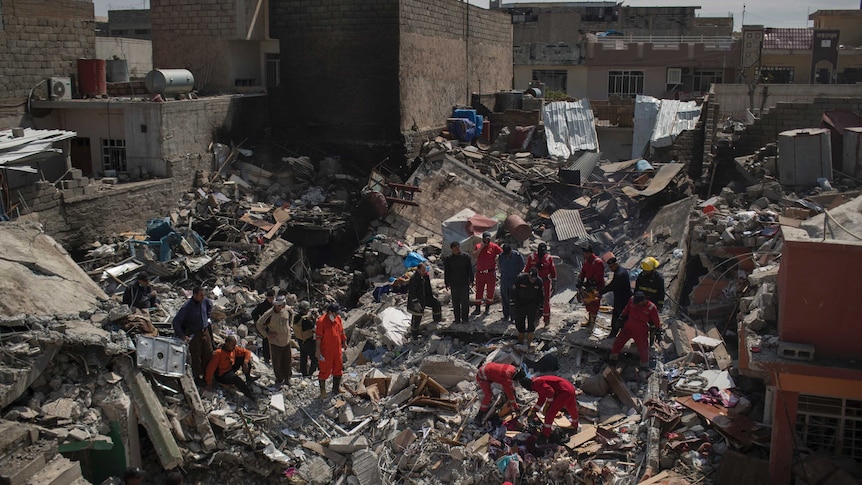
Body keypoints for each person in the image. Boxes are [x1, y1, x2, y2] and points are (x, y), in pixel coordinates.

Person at [172, 286, 214, 384]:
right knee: (196, 356)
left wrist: (207, 316)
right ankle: (198, 377)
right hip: (194, 333)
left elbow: (209, 305)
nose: (203, 297)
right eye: (201, 295)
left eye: (203, 295)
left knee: (208, 352)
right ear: (194, 295)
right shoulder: (187, 307)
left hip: (205, 331)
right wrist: (182, 336)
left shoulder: (204, 301)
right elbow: (176, 322)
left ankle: (207, 374)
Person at [609, 291, 661, 370]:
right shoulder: (632, 300)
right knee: (618, 343)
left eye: (638, 303)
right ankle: (612, 362)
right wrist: (621, 318)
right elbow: (626, 310)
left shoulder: (651, 307)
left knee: (643, 349)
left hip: (640, 330)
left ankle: (644, 367)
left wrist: (658, 331)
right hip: (628, 327)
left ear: (643, 300)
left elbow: (656, 321)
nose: (636, 305)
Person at [519, 374, 580, 439]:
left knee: (550, 413)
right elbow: (542, 398)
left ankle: (545, 434)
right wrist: (534, 410)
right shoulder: (537, 381)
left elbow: (550, 392)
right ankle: (575, 425)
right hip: (569, 388)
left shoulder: (536, 383)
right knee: (571, 407)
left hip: (563, 391)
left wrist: (548, 404)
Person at [256, 295, 293, 386]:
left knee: (287, 361)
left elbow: (292, 314)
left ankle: (287, 378)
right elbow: (259, 324)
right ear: (276, 306)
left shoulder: (287, 310)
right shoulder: (269, 314)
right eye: (281, 305)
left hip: (286, 340)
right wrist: (267, 335)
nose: (283, 307)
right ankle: (279, 379)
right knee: (277, 362)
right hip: (275, 342)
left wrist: (290, 326)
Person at [316, 302, 347, 400]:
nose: (337, 315)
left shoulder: (337, 319)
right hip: (326, 351)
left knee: (338, 368)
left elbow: (341, 331)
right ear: (330, 312)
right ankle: (323, 391)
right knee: (324, 369)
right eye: (335, 313)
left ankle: (336, 387)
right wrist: (317, 350)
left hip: (337, 349)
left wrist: (344, 341)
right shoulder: (321, 321)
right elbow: (318, 337)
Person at [523, 243, 556, 326]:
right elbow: (527, 270)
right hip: (534, 282)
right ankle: (535, 317)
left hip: (545, 282)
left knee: (546, 301)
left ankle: (546, 318)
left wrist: (554, 282)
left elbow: (552, 270)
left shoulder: (548, 258)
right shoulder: (532, 257)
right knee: (534, 300)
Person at [406, 263, 442, 338]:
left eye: (424, 270)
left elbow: (428, 287)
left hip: (426, 297)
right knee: (417, 316)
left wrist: (432, 295)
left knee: (436, 304)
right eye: (422, 270)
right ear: (418, 270)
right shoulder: (414, 278)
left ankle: (437, 320)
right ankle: (414, 334)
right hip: (417, 300)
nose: (424, 271)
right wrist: (416, 302)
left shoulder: (425, 276)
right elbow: (412, 292)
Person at [472, 231, 503, 316]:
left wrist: (497, 259)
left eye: (488, 239)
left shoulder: (493, 246)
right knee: (479, 290)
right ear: (483, 239)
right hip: (480, 273)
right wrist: (481, 247)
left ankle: (487, 308)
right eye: (485, 239)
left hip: (490, 272)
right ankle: (477, 308)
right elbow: (474, 256)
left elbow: (502, 253)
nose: (487, 241)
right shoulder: (478, 246)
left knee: (490, 290)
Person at [600, 258, 632, 338]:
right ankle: (617, 333)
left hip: (623, 299)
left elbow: (612, 286)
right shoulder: (620, 271)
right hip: (620, 297)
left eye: (611, 266)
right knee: (618, 316)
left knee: (619, 317)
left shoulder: (620, 274)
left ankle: (618, 333)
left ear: (616, 264)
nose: (610, 269)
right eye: (609, 267)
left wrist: (600, 292)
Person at [443, 241, 473, 323]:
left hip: (464, 283)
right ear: (452, 249)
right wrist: (447, 282)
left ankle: (465, 318)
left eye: (457, 248)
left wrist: (471, 279)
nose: (456, 250)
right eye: (454, 249)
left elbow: (470, 269)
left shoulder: (465, 257)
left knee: (465, 302)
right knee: (455, 303)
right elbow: (447, 271)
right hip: (454, 284)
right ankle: (457, 319)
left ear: (459, 247)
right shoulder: (449, 259)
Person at [512, 268, 544, 346]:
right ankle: (520, 341)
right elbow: (514, 292)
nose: (532, 281)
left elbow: (541, 295)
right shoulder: (520, 279)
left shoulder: (539, 282)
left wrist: (541, 308)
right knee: (520, 323)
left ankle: (529, 343)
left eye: (534, 279)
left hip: (532, 304)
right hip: (520, 303)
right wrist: (512, 303)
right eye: (531, 279)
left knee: (531, 324)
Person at [577, 245, 605, 329]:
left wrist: (590, 283)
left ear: (590, 253)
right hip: (589, 285)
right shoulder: (586, 262)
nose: (584, 255)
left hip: (596, 286)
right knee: (588, 303)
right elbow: (583, 272)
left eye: (586, 253)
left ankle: (592, 323)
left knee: (594, 304)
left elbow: (598, 276)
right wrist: (580, 281)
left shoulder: (598, 262)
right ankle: (589, 321)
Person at [497, 244, 525, 323]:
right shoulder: (501, 256)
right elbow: (500, 265)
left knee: (513, 299)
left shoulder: (517, 255)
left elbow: (522, 266)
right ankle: (506, 315)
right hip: (504, 279)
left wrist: (516, 275)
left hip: (514, 279)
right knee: (505, 298)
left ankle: (514, 317)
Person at [293, 300, 317, 377]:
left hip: (300, 340)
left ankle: (304, 374)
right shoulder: (306, 321)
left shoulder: (296, 318)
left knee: (303, 358)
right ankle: (310, 374)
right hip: (308, 341)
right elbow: (315, 329)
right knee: (314, 359)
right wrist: (314, 319)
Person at [251, 288, 276, 364]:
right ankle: (266, 358)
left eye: (273, 298)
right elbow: (254, 313)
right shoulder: (262, 305)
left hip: (274, 326)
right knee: (266, 342)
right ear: (267, 297)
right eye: (270, 298)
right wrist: (259, 323)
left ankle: (273, 357)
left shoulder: (274, 305)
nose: (271, 299)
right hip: (266, 326)